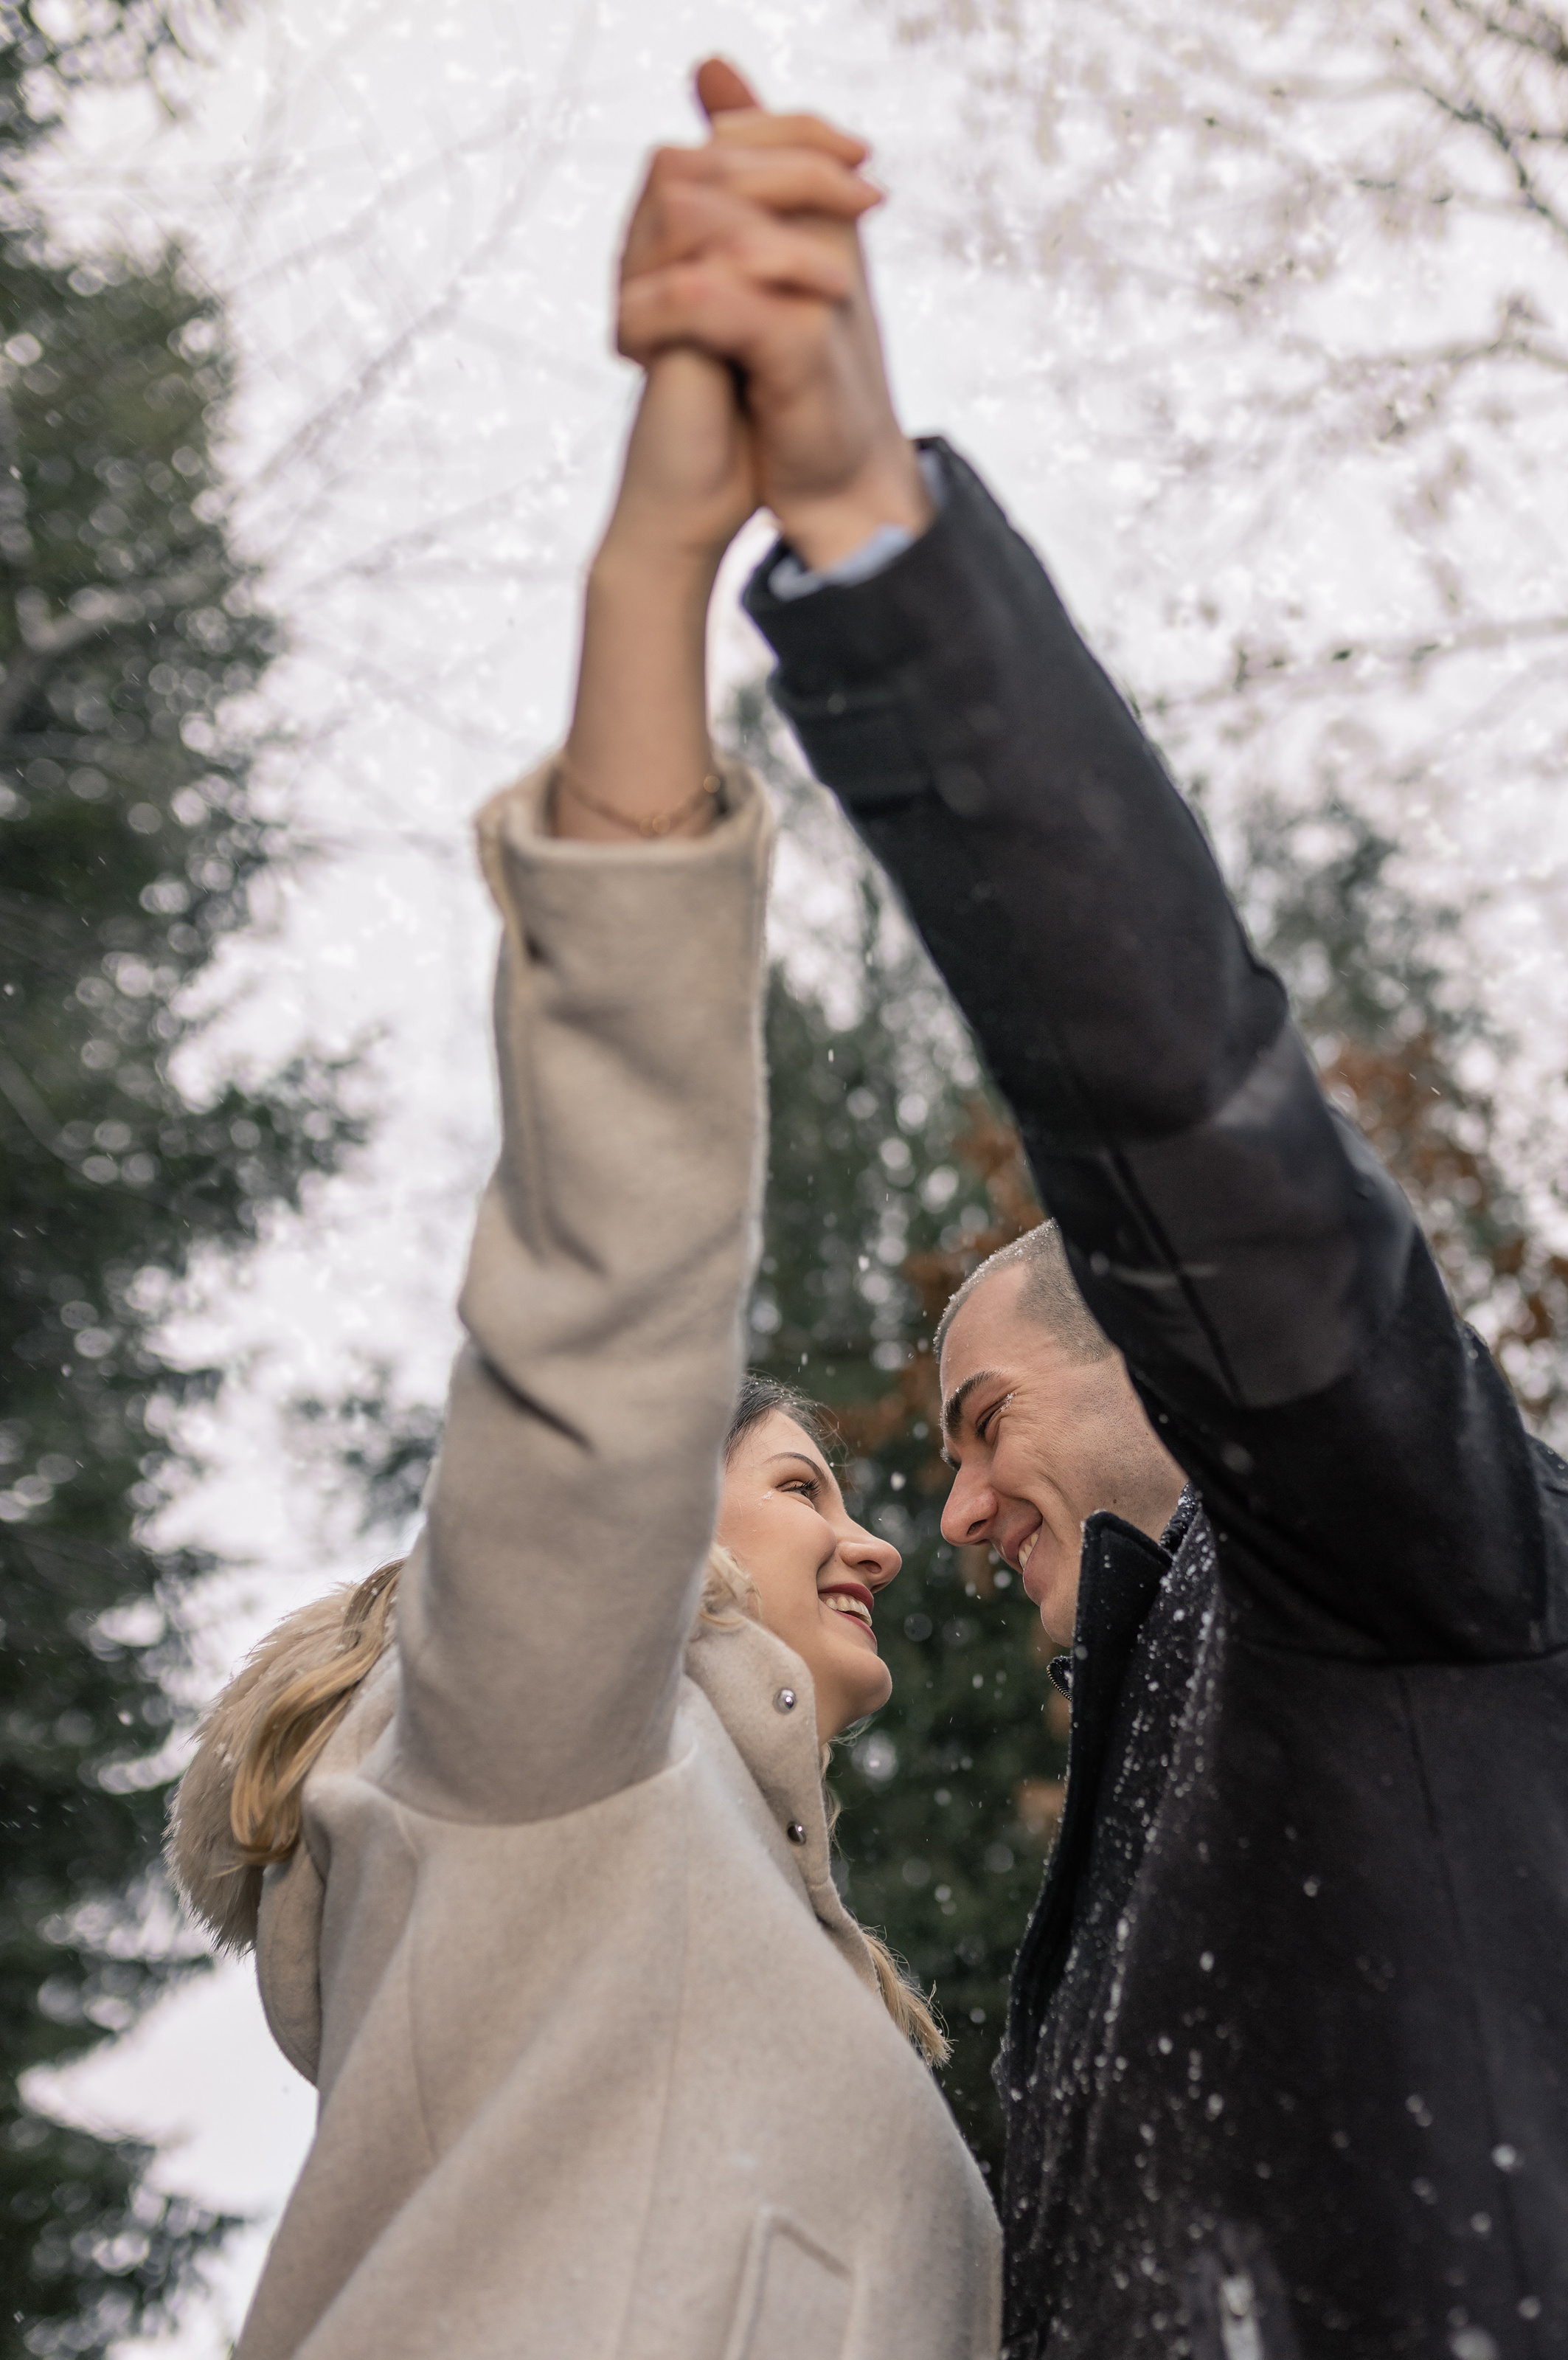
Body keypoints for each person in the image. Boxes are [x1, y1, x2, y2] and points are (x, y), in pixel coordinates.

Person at [635, 60, 1568, 2360]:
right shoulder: (1126, 1825)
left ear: (1159, 1340)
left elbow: (1188, 1110)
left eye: (971, 1422)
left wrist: (862, 528)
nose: (949, 1515)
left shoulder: (1401, 1565)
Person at [165, 100, 1000, 2360]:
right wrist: (661, 573)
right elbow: (613, 1270)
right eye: (809, 1480)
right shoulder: (548, 1756)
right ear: (638, 1545)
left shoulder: (715, 1920)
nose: (882, 1541)